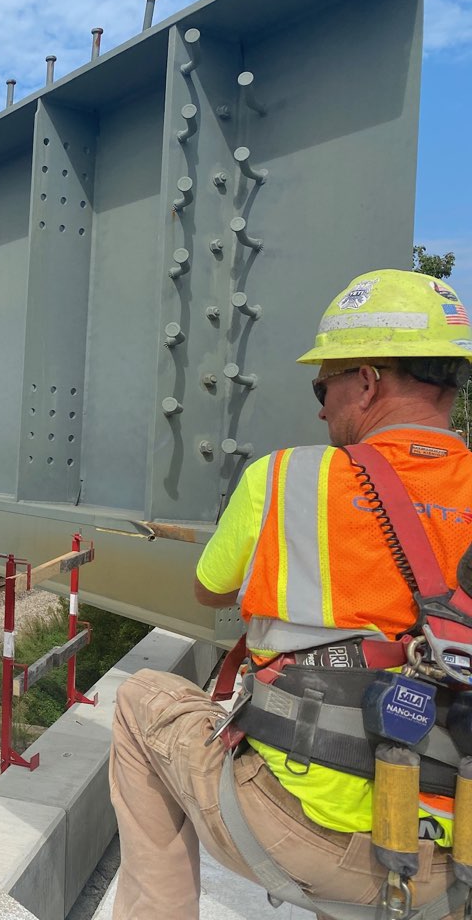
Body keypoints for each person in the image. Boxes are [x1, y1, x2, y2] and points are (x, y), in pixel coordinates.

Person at [109, 269, 472, 919]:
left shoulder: (286, 478)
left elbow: (207, 590)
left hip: (300, 834)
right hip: (456, 863)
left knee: (141, 703)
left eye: (323, 384)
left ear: (367, 380)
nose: (319, 406)